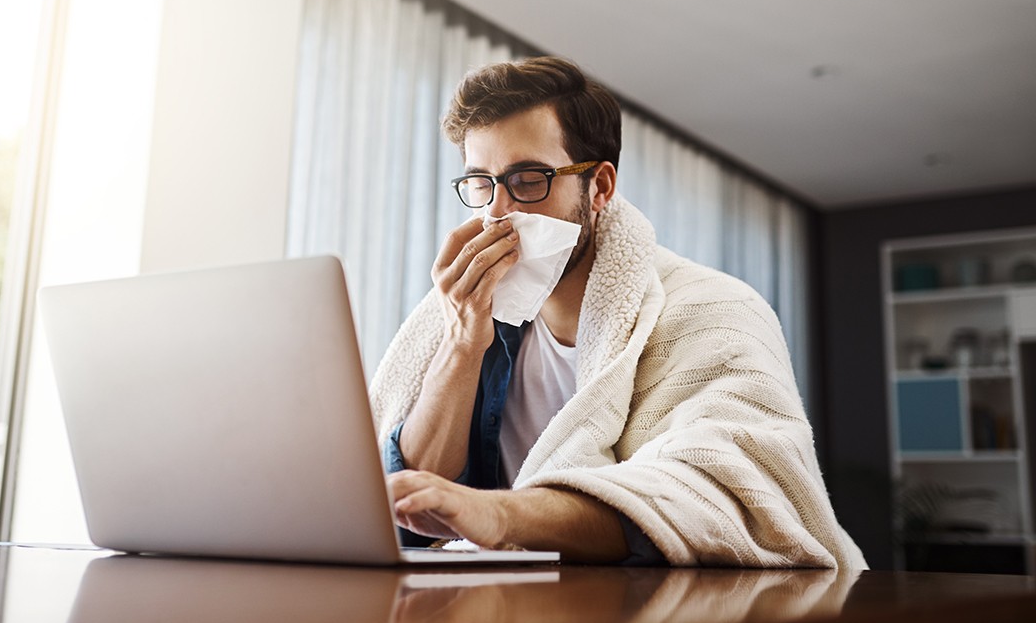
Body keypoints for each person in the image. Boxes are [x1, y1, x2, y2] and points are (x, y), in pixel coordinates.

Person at [369, 56, 866, 568]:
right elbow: (412, 504)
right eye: (482, 183)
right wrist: (462, 341)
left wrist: (501, 516)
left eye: (528, 179)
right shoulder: (467, 313)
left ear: (600, 187)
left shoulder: (715, 310)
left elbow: (715, 489)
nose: (498, 211)